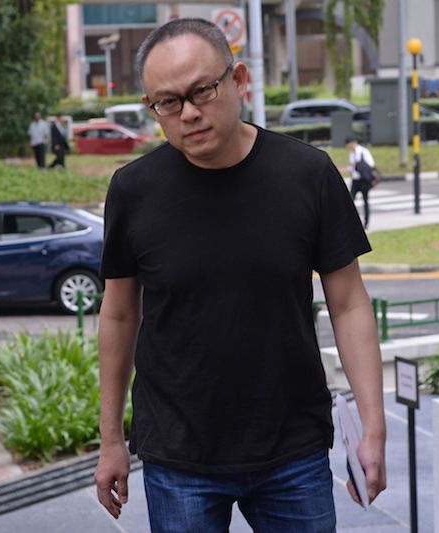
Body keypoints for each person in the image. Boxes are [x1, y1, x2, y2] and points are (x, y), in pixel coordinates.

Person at [94, 18, 386, 532]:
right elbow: (119, 315)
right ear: (152, 109)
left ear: (240, 80)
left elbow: (349, 303)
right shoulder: (133, 191)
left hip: (292, 447)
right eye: (167, 102)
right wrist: (111, 439)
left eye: (202, 90)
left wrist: (373, 427)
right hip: (178, 455)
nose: (188, 113)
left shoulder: (308, 174)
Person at [346, 136, 376, 229]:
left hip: (364, 180)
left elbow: (371, 164)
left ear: (353, 143)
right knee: (350, 201)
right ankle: (350, 222)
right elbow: (352, 166)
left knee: (365, 200)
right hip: (355, 180)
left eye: (349, 145)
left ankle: (366, 223)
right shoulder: (351, 154)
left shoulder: (363, 152)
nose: (349, 147)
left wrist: (358, 165)